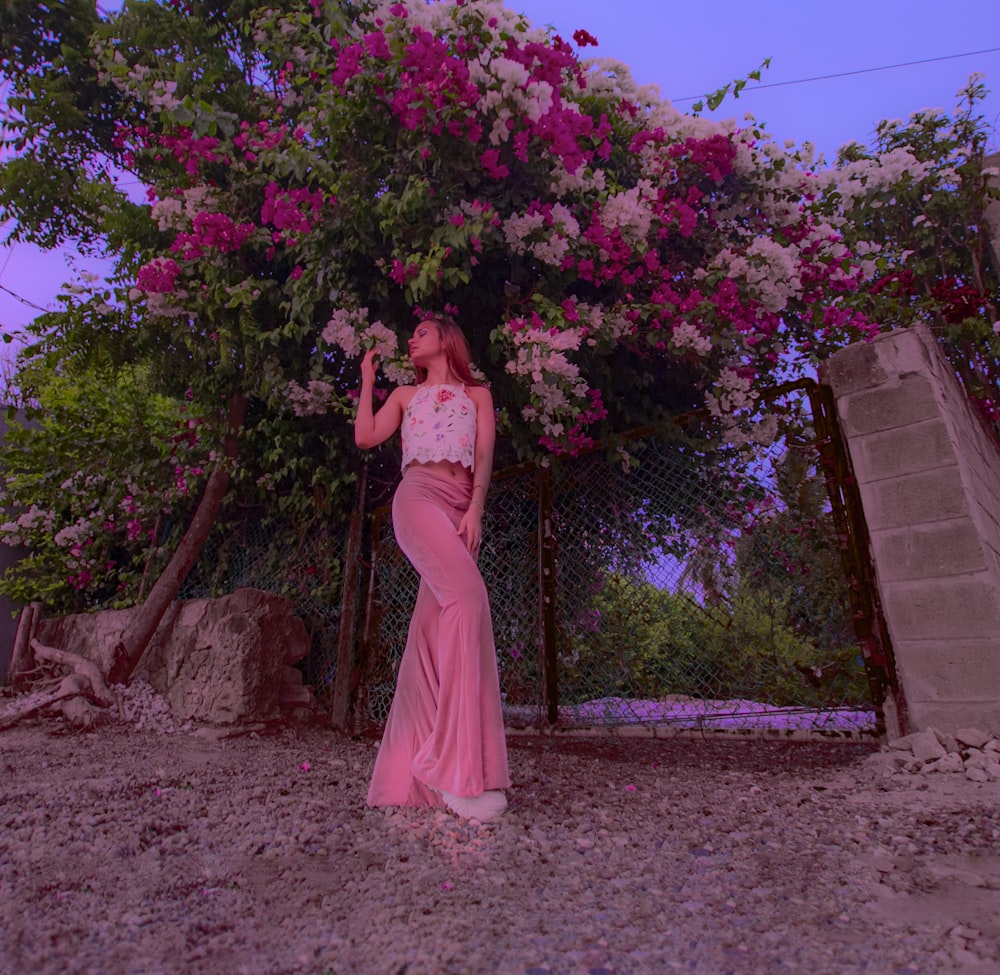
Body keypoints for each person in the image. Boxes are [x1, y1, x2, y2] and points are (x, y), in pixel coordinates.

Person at [356, 314, 510, 822]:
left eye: (419, 331)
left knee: (432, 629)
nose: (410, 339)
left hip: (460, 503)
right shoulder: (404, 396)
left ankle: (417, 775)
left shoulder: (478, 395)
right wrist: (367, 383)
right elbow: (366, 436)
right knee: (468, 599)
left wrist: (478, 508)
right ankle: (459, 773)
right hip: (418, 498)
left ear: (445, 339)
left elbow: (483, 454)